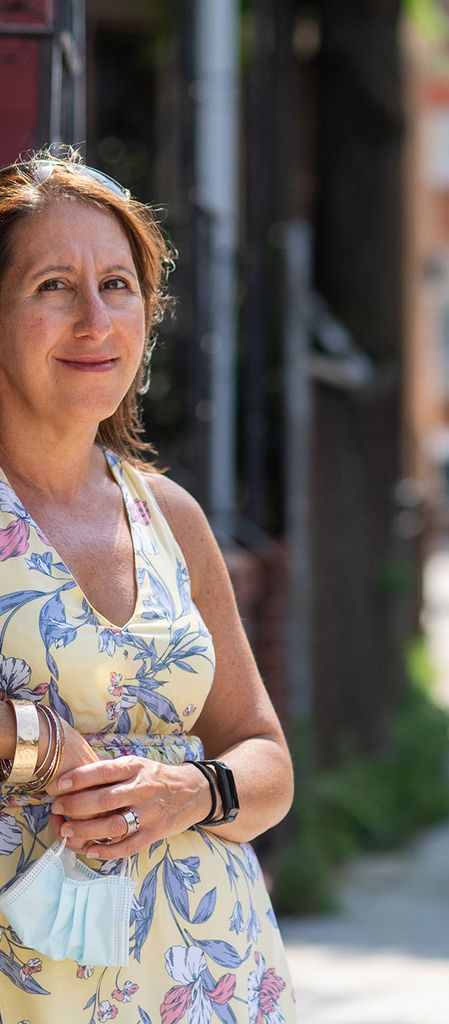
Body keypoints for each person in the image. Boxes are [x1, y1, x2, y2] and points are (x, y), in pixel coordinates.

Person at [0, 150, 296, 1023]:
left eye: (120, 285)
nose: (95, 319)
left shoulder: (171, 515)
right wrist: (40, 745)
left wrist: (191, 792)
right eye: (55, 285)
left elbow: (266, 759)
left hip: (209, 980)